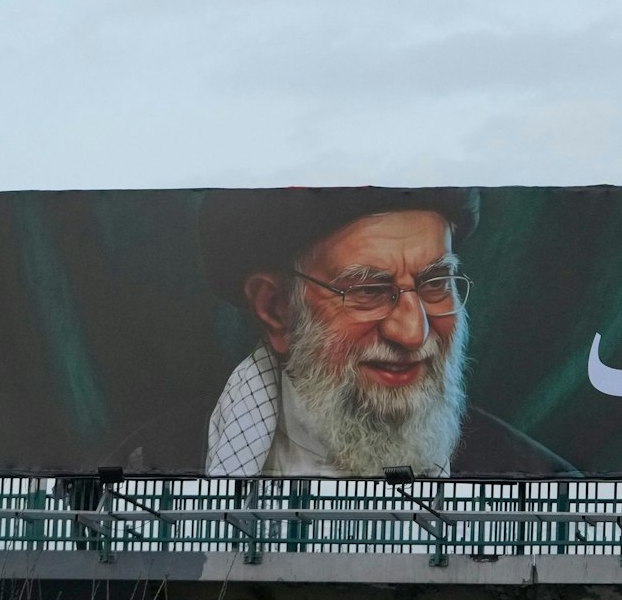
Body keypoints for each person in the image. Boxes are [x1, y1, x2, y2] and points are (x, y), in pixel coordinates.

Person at [198, 188, 575, 478]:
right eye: (368, 290)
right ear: (276, 308)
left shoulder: (542, 491)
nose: (413, 332)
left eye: (436, 281)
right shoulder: (159, 464)